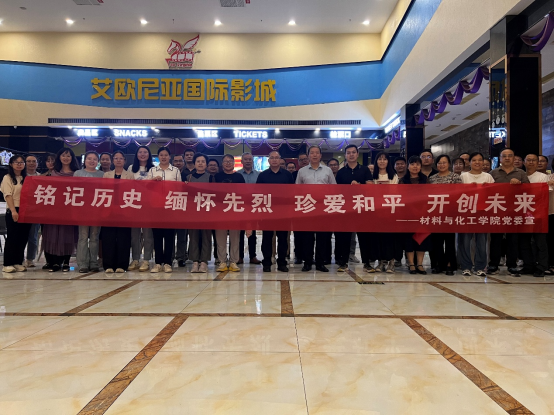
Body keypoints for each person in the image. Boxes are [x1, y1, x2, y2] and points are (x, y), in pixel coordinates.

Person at [488, 148, 530, 276]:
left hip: (514, 211)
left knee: (513, 239)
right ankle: (493, 264)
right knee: (496, 239)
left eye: (510, 156)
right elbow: (487, 191)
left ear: (514, 158)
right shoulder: (493, 173)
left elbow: (529, 190)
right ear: (500, 158)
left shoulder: (521, 173)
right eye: (504, 156)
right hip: (497, 210)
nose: (507, 158)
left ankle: (512, 265)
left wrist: (520, 184)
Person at [296, 145, 337, 272]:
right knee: (307, 237)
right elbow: (297, 190)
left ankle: (320, 262)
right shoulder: (302, 171)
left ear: (320, 155)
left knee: (322, 237)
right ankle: (307, 262)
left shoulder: (327, 170)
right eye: (312, 153)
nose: (314, 155)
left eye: (317, 153)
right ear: (308, 156)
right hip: (307, 208)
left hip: (323, 208)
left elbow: (334, 188)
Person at [335, 145, 372, 272]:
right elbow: (337, 191)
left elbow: (370, 186)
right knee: (345, 237)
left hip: (361, 207)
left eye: (353, 152)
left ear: (357, 154)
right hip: (346, 209)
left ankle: (367, 263)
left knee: (364, 237)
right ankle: (343, 262)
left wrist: (359, 186)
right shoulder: (341, 172)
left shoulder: (365, 170)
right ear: (345, 155)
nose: (351, 155)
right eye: (348, 153)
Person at [41, 148, 80, 272]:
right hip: (54, 209)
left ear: (72, 158)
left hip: (70, 209)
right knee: (53, 234)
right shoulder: (53, 173)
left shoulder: (77, 174)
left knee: (67, 234)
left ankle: (66, 261)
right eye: (63, 155)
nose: (66, 158)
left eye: (68, 156)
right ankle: (54, 262)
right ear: (59, 157)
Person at [257, 150, 294, 272]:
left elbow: (292, 192)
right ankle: (267, 262)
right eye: (272, 158)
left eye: (276, 158)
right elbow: (258, 193)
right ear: (268, 160)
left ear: (280, 160)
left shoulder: (287, 175)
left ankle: (282, 262)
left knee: (283, 238)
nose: (274, 160)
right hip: (267, 211)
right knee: (267, 238)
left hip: (283, 212)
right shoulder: (262, 176)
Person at [457, 153, 494, 277]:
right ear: (469, 162)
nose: (477, 162)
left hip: (482, 213)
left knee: (482, 242)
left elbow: (495, 194)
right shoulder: (463, 176)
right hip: (466, 212)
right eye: (474, 160)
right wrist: (468, 189)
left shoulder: (488, 176)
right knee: (465, 241)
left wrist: (487, 188)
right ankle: (466, 266)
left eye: (480, 160)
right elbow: (457, 193)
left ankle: (480, 267)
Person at [148, 147, 181, 273]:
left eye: (166, 155)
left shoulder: (175, 171)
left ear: (169, 157)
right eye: (161, 155)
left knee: (169, 236)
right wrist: (152, 181)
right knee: (157, 236)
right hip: (155, 207)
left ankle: (167, 262)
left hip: (170, 207)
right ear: (158, 157)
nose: (163, 157)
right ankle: (157, 263)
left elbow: (179, 188)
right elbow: (146, 188)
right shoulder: (152, 170)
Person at [429, 155, 462, 276]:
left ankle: (449, 264)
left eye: (444, 162)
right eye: (439, 163)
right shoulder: (432, 179)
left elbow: (459, 194)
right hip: (435, 213)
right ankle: (438, 264)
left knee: (449, 241)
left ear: (448, 164)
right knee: (437, 241)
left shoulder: (455, 177)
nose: (441, 165)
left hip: (450, 213)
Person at [101, 150, 134, 273]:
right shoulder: (107, 175)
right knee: (108, 237)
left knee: (123, 237)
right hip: (109, 209)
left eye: (121, 158)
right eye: (116, 158)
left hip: (125, 209)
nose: (118, 160)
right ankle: (108, 265)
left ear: (124, 161)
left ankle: (122, 265)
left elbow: (132, 191)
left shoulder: (130, 175)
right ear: (113, 161)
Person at [399, 156, 431, 274]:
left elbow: (429, 196)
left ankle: (420, 264)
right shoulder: (403, 180)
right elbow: (401, 196)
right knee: (409, 239)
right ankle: (411, 263)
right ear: (408, 167)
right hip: (407, 214)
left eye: (417, 164)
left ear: (420, 166)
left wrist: (422, 209)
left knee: (422, 238)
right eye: (412, 164)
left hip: (423, 213)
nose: (415, 166)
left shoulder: (425, 179)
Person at [214, 154, 246, 273]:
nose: (228, 163)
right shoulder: (217, 177)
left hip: (235, 211)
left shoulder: (239, 177)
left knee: (235, 238)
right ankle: (222, 261)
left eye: (230, 161)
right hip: (220, 212)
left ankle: (233, 261)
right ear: (222, 164)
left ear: (234, 163)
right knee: (220, 238)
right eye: (226, 161)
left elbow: (243, 194)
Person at [1, 155, 32, 273]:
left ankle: (18, 262)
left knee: (23, 237)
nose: (19, 164)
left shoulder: (27, 178)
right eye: (16, 162)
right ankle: (7, 263)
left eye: (21, 162)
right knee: (12, 237)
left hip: (26, 210)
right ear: (11, 164)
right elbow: (8, 195)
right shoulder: (7, 178)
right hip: (13, 209)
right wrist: (13, 211)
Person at [520, 154, 549, 277]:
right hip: (522, 213)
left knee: (540, 242)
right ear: (524, 162)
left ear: (537, 163)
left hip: (539, 214)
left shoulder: (543, 177)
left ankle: (541, 267)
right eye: (528, 160)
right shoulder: (520, 176)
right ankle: (528, 265)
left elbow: (544, 194)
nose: (531, 162)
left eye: (534, 160)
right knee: (524, 241)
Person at [75, 151, 104, 273]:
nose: (92, 161)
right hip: (82, 209)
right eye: (89, 158)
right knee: (82, 236)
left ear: (98, 162)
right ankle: (82, 263)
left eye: (94, 159)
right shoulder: (78, 173)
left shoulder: (102, 174)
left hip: (97, 209)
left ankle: (93, 262)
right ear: (84, 160)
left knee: (94, 237)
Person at [185, 153, 215, 273]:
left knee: (206, 237)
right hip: (192, 213)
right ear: (194, 163)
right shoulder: (188, 178)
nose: (200, 163)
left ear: (206, 164)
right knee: (193, 237)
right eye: (198, 161)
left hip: (206, 212)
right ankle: (195, 261)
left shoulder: (210, 178)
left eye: (203, 161)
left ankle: (204, 262)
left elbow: (214, 194)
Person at [128, 146, 155, 272]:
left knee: (148, 234)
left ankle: (146, 260)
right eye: (140, 152)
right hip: (134, 204)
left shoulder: (154, 169)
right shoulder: (131, 168)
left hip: (149, 205)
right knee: (135, 235)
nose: (143, 154)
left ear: (149, 154)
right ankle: (135, 259)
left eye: (145, 152)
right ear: (136, 154)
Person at [371, 151, 399, 273]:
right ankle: (381, 261)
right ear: (376, 161)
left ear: (388, 161)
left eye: (385, 159)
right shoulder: (373, 176)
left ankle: (391, 261)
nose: (382, 161)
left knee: (389, 237)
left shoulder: (393, 176)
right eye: (380, 159)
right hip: (376, 211)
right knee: (378, 237)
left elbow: (395, 193)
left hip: (389, 210)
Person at [237, 152, 261, 265]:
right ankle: (239, 256)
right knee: (239, 232)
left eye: (250, 159)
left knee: (253, 233)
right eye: (245, 159)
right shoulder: (237, 175)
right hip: (240, 206)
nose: (248, 161)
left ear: (252, 161)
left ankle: (253, 256)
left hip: (253, 206)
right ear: (242, 161)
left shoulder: (258, 175)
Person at [293, 152, 310, 264]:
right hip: (298, 207)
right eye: (301, 160)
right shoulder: (295, 174)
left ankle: (309, 256)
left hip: (313, 206)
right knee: (298, 234)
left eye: (305, 159)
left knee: (310, 235)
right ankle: (298, 256)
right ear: (298, 162)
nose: (303, 161)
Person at [24, 154, 40, 268]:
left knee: (33, 236)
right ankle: (18, 258)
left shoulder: (41, 177)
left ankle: (30, 259)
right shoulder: (20, 176)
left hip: (36, 211)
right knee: (20, 236)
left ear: (37, 164)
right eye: (29, 161)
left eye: (34, 161)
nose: (31, 163)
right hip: (22, 210)